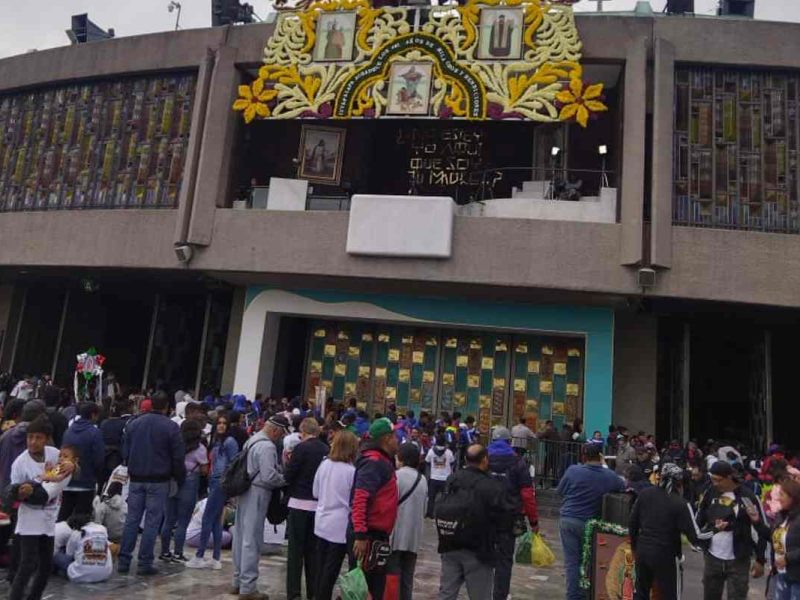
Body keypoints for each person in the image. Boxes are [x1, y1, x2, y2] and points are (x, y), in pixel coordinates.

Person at [118, 390, 186, 576]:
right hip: (159, 480)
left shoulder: (134, 424)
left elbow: (125, 451)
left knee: (132, 519)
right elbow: (178, 457)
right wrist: (179, 477)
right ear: (167, 407)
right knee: (152, 522)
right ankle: (145, 562)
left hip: (136, 478)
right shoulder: (171, 427)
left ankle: (124, 560)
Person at [8, 416, 74, 600]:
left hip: (49, 518)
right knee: (27, 564)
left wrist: (73, 466)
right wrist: (23, 492)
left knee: (46, 566)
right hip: (29, 519)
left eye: (38, 437)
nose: (33, 442)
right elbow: (14, 492)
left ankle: (34, 597)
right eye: (30, 437)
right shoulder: (20, 463)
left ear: (46, 439)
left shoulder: (54, 454)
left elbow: (69, 467)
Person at [436, 444, 509, 600]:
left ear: (465, 459)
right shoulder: (490, 485)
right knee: (480, 595)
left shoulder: (452, 479)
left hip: (449, 541)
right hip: (478, 548)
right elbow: (502, 518)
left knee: (446, 593)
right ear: (485, 460)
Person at [629, 463, 710, 599]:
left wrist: (634, 547)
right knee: (670, 595)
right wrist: (715, 530)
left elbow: (632, 523)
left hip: (643, 551)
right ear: (679, 483)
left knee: (641, 592)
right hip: (666, 555)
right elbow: (696, 536)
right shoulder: (681, 503)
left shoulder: (645, 494)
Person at [231, 414, 289, 600]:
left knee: (240, 536)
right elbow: (268, 476)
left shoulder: (252, 440)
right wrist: (285, 479)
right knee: (252, 539)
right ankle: (248, 587)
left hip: (244, 490)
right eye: (281, 434)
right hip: (257, 493)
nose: (280, 437)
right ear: (275, 430)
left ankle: (237, 581)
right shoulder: (267, 446)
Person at [557, 443, 625, 600]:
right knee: (589, 560)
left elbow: (560, 491)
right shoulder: (610, 476)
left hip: (569, 520)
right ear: (600, 457)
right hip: (590, 525)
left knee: (572, 562)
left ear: (583, 456)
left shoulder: (573, 471)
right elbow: (623, 486)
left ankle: (574, 596)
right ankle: (587, 593)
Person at [695, 459, 767, 600]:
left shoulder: (747, 496)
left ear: (729, 477)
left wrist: (760, 559)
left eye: (718, 480)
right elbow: (699, 519)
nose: (715, 483)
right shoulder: (710, 492)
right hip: (712, 557)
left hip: (738, 559)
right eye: (712, 479)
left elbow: (760, 528)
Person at [487, 425, 539, 600]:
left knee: (482, 556)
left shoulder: (483, 458)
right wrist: (533, 521)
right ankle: (500, 595)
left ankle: (482, 592)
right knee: (504, 559)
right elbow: (527, 494)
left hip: (484, 515)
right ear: (510, 442)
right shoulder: (518, 462)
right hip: (508, 517)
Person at [350, 417, 400, 600]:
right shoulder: (374, 462)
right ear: (386, 439)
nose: (398, 440)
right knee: (366, 590)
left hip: (375, 535)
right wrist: (360, 535)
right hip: (368, 536)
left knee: (374, 587)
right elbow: (360, 499)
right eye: (395, 436)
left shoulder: (382, 461)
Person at [284, 417, 329, 600]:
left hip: (298, 502)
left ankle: (294, 593)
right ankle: (313, 592)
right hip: (317, 506)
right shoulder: (325, 449)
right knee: (313, 553)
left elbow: (289, 475)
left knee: (295, 553)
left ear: (303, 431)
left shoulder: (301, 448)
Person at [188, 413, 239, 569]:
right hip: (216, 481)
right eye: (219, 423)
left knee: (207, 519)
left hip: (220, 482)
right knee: (216, 521)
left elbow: (234, 463)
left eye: (224, 423)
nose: (221, 425)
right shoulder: (218, 441)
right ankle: (216, 558)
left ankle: (200, 555)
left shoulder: (229, 442)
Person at [314, 430, 359, 600]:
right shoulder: (351, 471)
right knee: (331, 570)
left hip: (322, 521)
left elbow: (315, 491)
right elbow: (353, 500)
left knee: (320, 567)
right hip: (339, 525)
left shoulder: (324, 465)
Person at [160, 419, 208, 563]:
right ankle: (178, 553)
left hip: (172, 482)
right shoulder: (200, 448)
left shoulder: (174, 445)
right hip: (189, 483)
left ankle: (164, 551)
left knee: (168, 520)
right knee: (183, 521)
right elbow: (204, 470)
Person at [389, 442, 428, 600]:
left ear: (401, 458)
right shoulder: (422, 479)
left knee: (392, 576)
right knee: (407, 578)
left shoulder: (395, 477)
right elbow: (424, 509)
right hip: (414, 536)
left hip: (396, 535)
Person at [60, 401, 105, 522]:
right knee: (81, 521)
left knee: (64, 518)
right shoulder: (95, 433)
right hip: (86, 482)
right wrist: (96, 475)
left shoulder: (68, 431)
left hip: (67, 481)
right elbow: (99, 459)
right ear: (93, 415)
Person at [53, 513, 113, 583]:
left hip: (79, 575)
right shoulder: (102, 529)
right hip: (104, 575)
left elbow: (69, 555)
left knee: (57, 556)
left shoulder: (76, 533)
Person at [771, 478, 800, 600]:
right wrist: (756, 521)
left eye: (782, 495)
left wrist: (787, 558)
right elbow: (772, 537)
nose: (778, 498)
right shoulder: (782, 515)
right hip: (781, 573)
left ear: (792, 497)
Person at [425, 434, 455, 518]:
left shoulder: (431, 451)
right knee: (445, 498)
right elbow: (452, 463)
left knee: (431, 497)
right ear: (444, 442)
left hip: (434, 477)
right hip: (446, 478)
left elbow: (427, 461)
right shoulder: (449, 452)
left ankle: (430, 513)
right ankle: (443, 514)